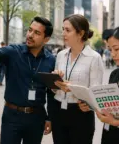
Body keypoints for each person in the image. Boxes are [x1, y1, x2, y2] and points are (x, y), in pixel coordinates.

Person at [0, 16, 55, 144]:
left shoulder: (51, 60)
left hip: (36, 118)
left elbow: (51, 91)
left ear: (46, 39)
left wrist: (49, 118)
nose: (30, 35)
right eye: (30, 30)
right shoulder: (14, 52)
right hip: (12, 117)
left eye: (37, 33)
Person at [50, 14, 104, 144]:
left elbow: (95, 93)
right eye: (63, 29)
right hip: (59, 112)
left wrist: (86, 102)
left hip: (81, 114)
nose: (63, 33)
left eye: (67, 30)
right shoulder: (61, 55)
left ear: (80, 33)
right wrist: (55, 82)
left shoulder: (94, 57)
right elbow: (54, 90)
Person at [96, 27, 119, 144]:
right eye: (110, 50)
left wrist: (115, 122)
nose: (113, 55)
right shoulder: (114, 74)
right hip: (109, 133)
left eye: (117, 49)